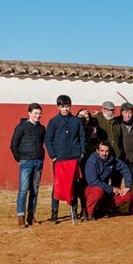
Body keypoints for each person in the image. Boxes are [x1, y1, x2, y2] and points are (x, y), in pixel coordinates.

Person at [45, 94, 86, 224]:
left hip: (74, 157)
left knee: (73, 185)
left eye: (67, 106)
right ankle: (54, 213)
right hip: (60, 158)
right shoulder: (53, 121)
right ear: (58, 107)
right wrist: (53, 155)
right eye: (62, 107)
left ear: (70, 106)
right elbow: (48, 139)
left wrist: (82, 153)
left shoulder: (76, 121)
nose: (65, 109)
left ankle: (73, 211)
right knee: (57, 185)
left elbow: (82, 137)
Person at [10, 103, 45, 228]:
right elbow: (13, 144)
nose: (38, 115)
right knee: (24, 190)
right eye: (35, 113)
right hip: (26, 161)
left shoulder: (42, 128)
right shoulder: (21, 127)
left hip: (38, 162)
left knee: (34, 190)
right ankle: (21, 217)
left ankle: (31, 216)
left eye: (39, 113)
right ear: (29, 113)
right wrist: (19, 158)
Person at [83, 140, 133, 220]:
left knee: (127, 195)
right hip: (91, 188)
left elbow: (124, 168)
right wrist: (111, 188)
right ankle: (89, 212)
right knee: (97, 192)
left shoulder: (111, 159)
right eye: (102, 151)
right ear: (97, 150)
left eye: (106, 151)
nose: (104, 153)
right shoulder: (92, 161)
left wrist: (127, 186)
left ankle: (103, 210)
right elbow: (92, 181)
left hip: (106, 189)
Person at [116, 102, 133, 178]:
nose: (127, 115)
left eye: (130, 113)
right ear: (121, 113)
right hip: (121, 156)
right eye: (125, 112)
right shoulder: (117, 122)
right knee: (118, 177)